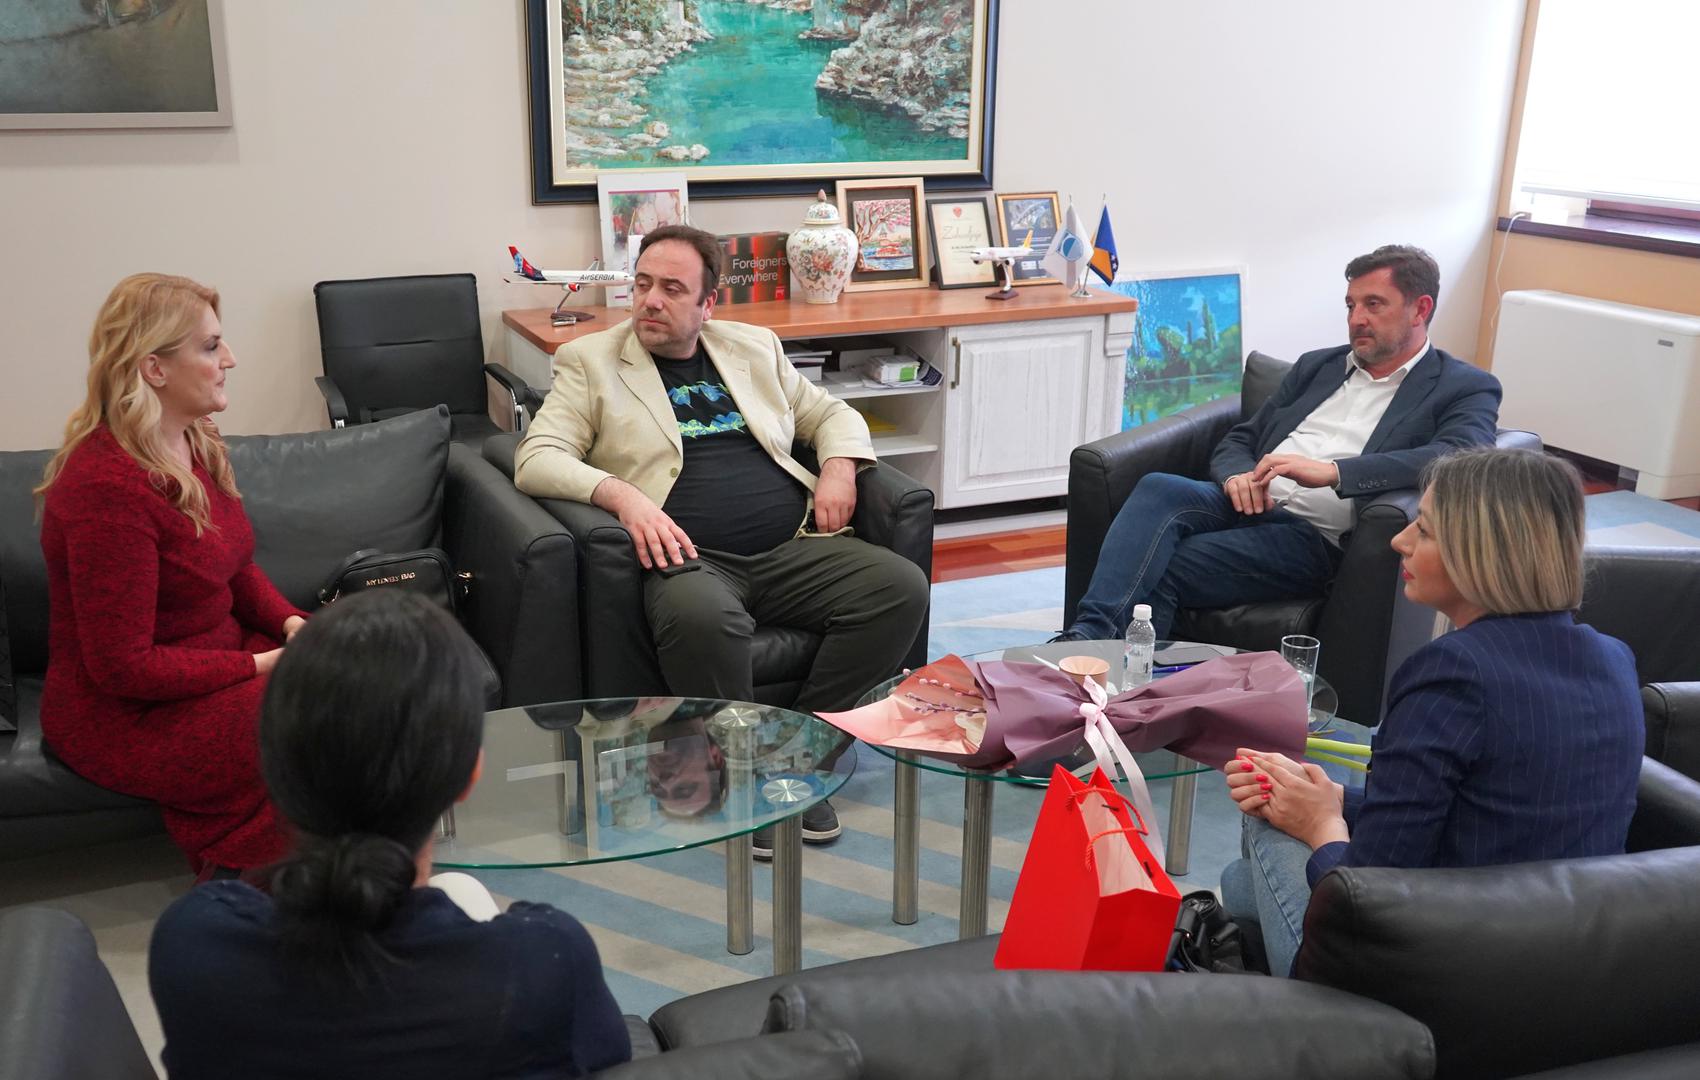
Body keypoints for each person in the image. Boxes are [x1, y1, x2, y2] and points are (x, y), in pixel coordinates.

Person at [514, 223, 930, 852]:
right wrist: (622, 496)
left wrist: (840, 466)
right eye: (643, 285)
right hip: (690, 557)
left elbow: (829, 412)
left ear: (708, 304)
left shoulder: (753, 347)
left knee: (899, 587)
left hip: (793, 545)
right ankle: (748, 775)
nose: (651, 300)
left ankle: (801, 753)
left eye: (672, 289)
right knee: (706, 621)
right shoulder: (591, 362)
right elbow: (537, 456)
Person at [148, 590, 632, 1079]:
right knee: (461, 889)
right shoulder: (543, 961)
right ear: (469, 776)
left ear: (272, 773)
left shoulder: (193, 942)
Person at [1219, 448, 1644, 976]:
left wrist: (1321, 822)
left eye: (1423, 529)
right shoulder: (1614, 658)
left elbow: (1369, 893)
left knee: (1265, 815)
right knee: (1244, 876)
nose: (1400, 540)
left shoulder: (1452, 673)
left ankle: (1291, 999)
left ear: (1481, 552)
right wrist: (1337, 799)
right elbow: (1490, 812)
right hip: (1570, 960)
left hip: (1440, 972)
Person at [1057, 245, 1503, 642]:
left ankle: (1090, 655)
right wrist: (1236, 476)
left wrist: (1336, 472)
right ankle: (1089, 644)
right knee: (1159, 488)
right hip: (1250, 504)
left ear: (1420, 309)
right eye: (1350, 305)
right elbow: (1243, 437)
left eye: (1373, 304)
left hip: (1313, 537)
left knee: (1155, 561)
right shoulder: (1319, 366)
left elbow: (1460, 456)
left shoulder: (1462, 386)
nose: (1356, 319)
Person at [36, 273, 306, 875]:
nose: (230, 358)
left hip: (215, 666)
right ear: (154, 369)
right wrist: (263, 665)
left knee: (362, 662)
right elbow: (123, 666)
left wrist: (292, 624)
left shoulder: (195, 439)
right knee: (319, 707)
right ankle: (258, 884)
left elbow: (236, 569)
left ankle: (334, 875)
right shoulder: (106, 487)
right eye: (210, 346)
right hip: (126, 714)